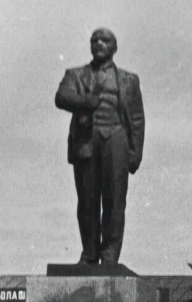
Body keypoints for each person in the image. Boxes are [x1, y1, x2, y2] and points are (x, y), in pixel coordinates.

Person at [54, 27, 145, 266]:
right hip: (86, 141)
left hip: (116, 138)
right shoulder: (76, 75)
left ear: (114, 48)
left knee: (115, 201)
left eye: (105, 41)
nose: (99, 44)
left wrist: (135, 153)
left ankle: (110, 255)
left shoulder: (129, 80)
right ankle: (90, 253)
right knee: (87, 200)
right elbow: (61, 96)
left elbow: (136, 118)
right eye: (95, 40)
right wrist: (86, 101)